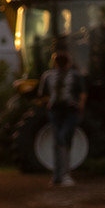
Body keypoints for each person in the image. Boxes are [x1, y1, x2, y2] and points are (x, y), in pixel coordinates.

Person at [38, 49, 86, 187]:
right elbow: (83, 94)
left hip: (56, 110)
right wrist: (81, 108)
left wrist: (47, 104)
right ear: (69, 62)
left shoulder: (48, 75)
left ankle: (58, 175)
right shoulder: (75, 75)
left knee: (59, 139)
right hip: (69, 110)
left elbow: (42, 95)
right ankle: (63, 175)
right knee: (63, 139)